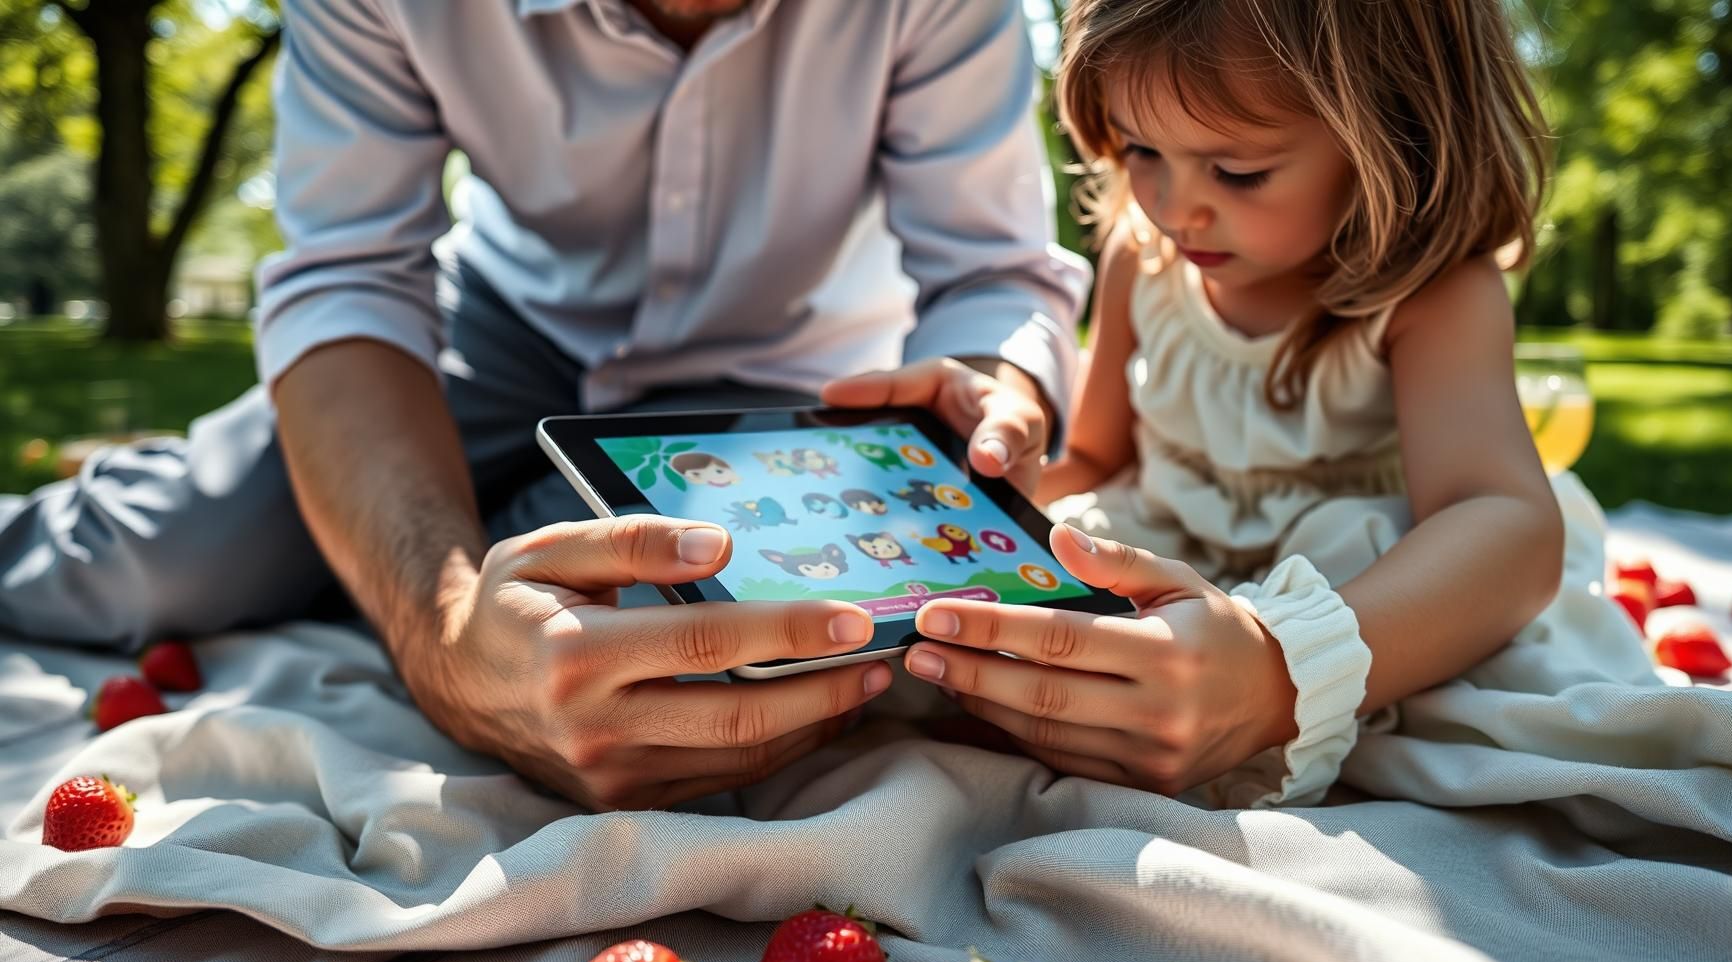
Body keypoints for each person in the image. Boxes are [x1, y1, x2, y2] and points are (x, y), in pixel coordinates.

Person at [0, 0, 1089, 811]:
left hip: (790, 387)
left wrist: (991, 384)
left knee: (651, 640)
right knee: (164, 557)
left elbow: (988, 274)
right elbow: (348, 275)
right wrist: (440, 639)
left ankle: (491, 513)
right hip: (491, 336)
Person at [890, 0, 1574, 807]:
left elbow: (1506, 521)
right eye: (1141, 150)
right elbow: (1102, 461)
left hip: (1367, 601)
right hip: (1176, 557)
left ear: (1393, 139)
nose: (1176, 208)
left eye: (1239, 171)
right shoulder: (1140, 263)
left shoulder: (1432, 295)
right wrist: (965, 503)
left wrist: (1277, 664)